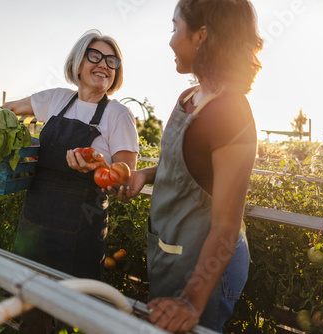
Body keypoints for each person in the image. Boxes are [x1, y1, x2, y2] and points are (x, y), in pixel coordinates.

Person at [115, 0, 263, 332]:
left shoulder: (230, 113)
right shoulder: (188, 98)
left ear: (201, 36)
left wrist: (191, 301)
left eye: (174, 28)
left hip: (206, 267)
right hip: (171, 249)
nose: (170, 40)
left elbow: (227, 224)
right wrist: (145, 174)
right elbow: (182, 164)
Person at [3, 29, 139, 333]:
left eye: (111, 60)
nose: (103, 64)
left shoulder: (119, 115)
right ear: (78, 64)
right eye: (95, 56)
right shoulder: (55, 99)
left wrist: (100, 166)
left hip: (80, 232)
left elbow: (125, 176)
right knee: (31, 310)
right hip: (35, 223)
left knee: (74, 314)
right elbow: (7, 111)